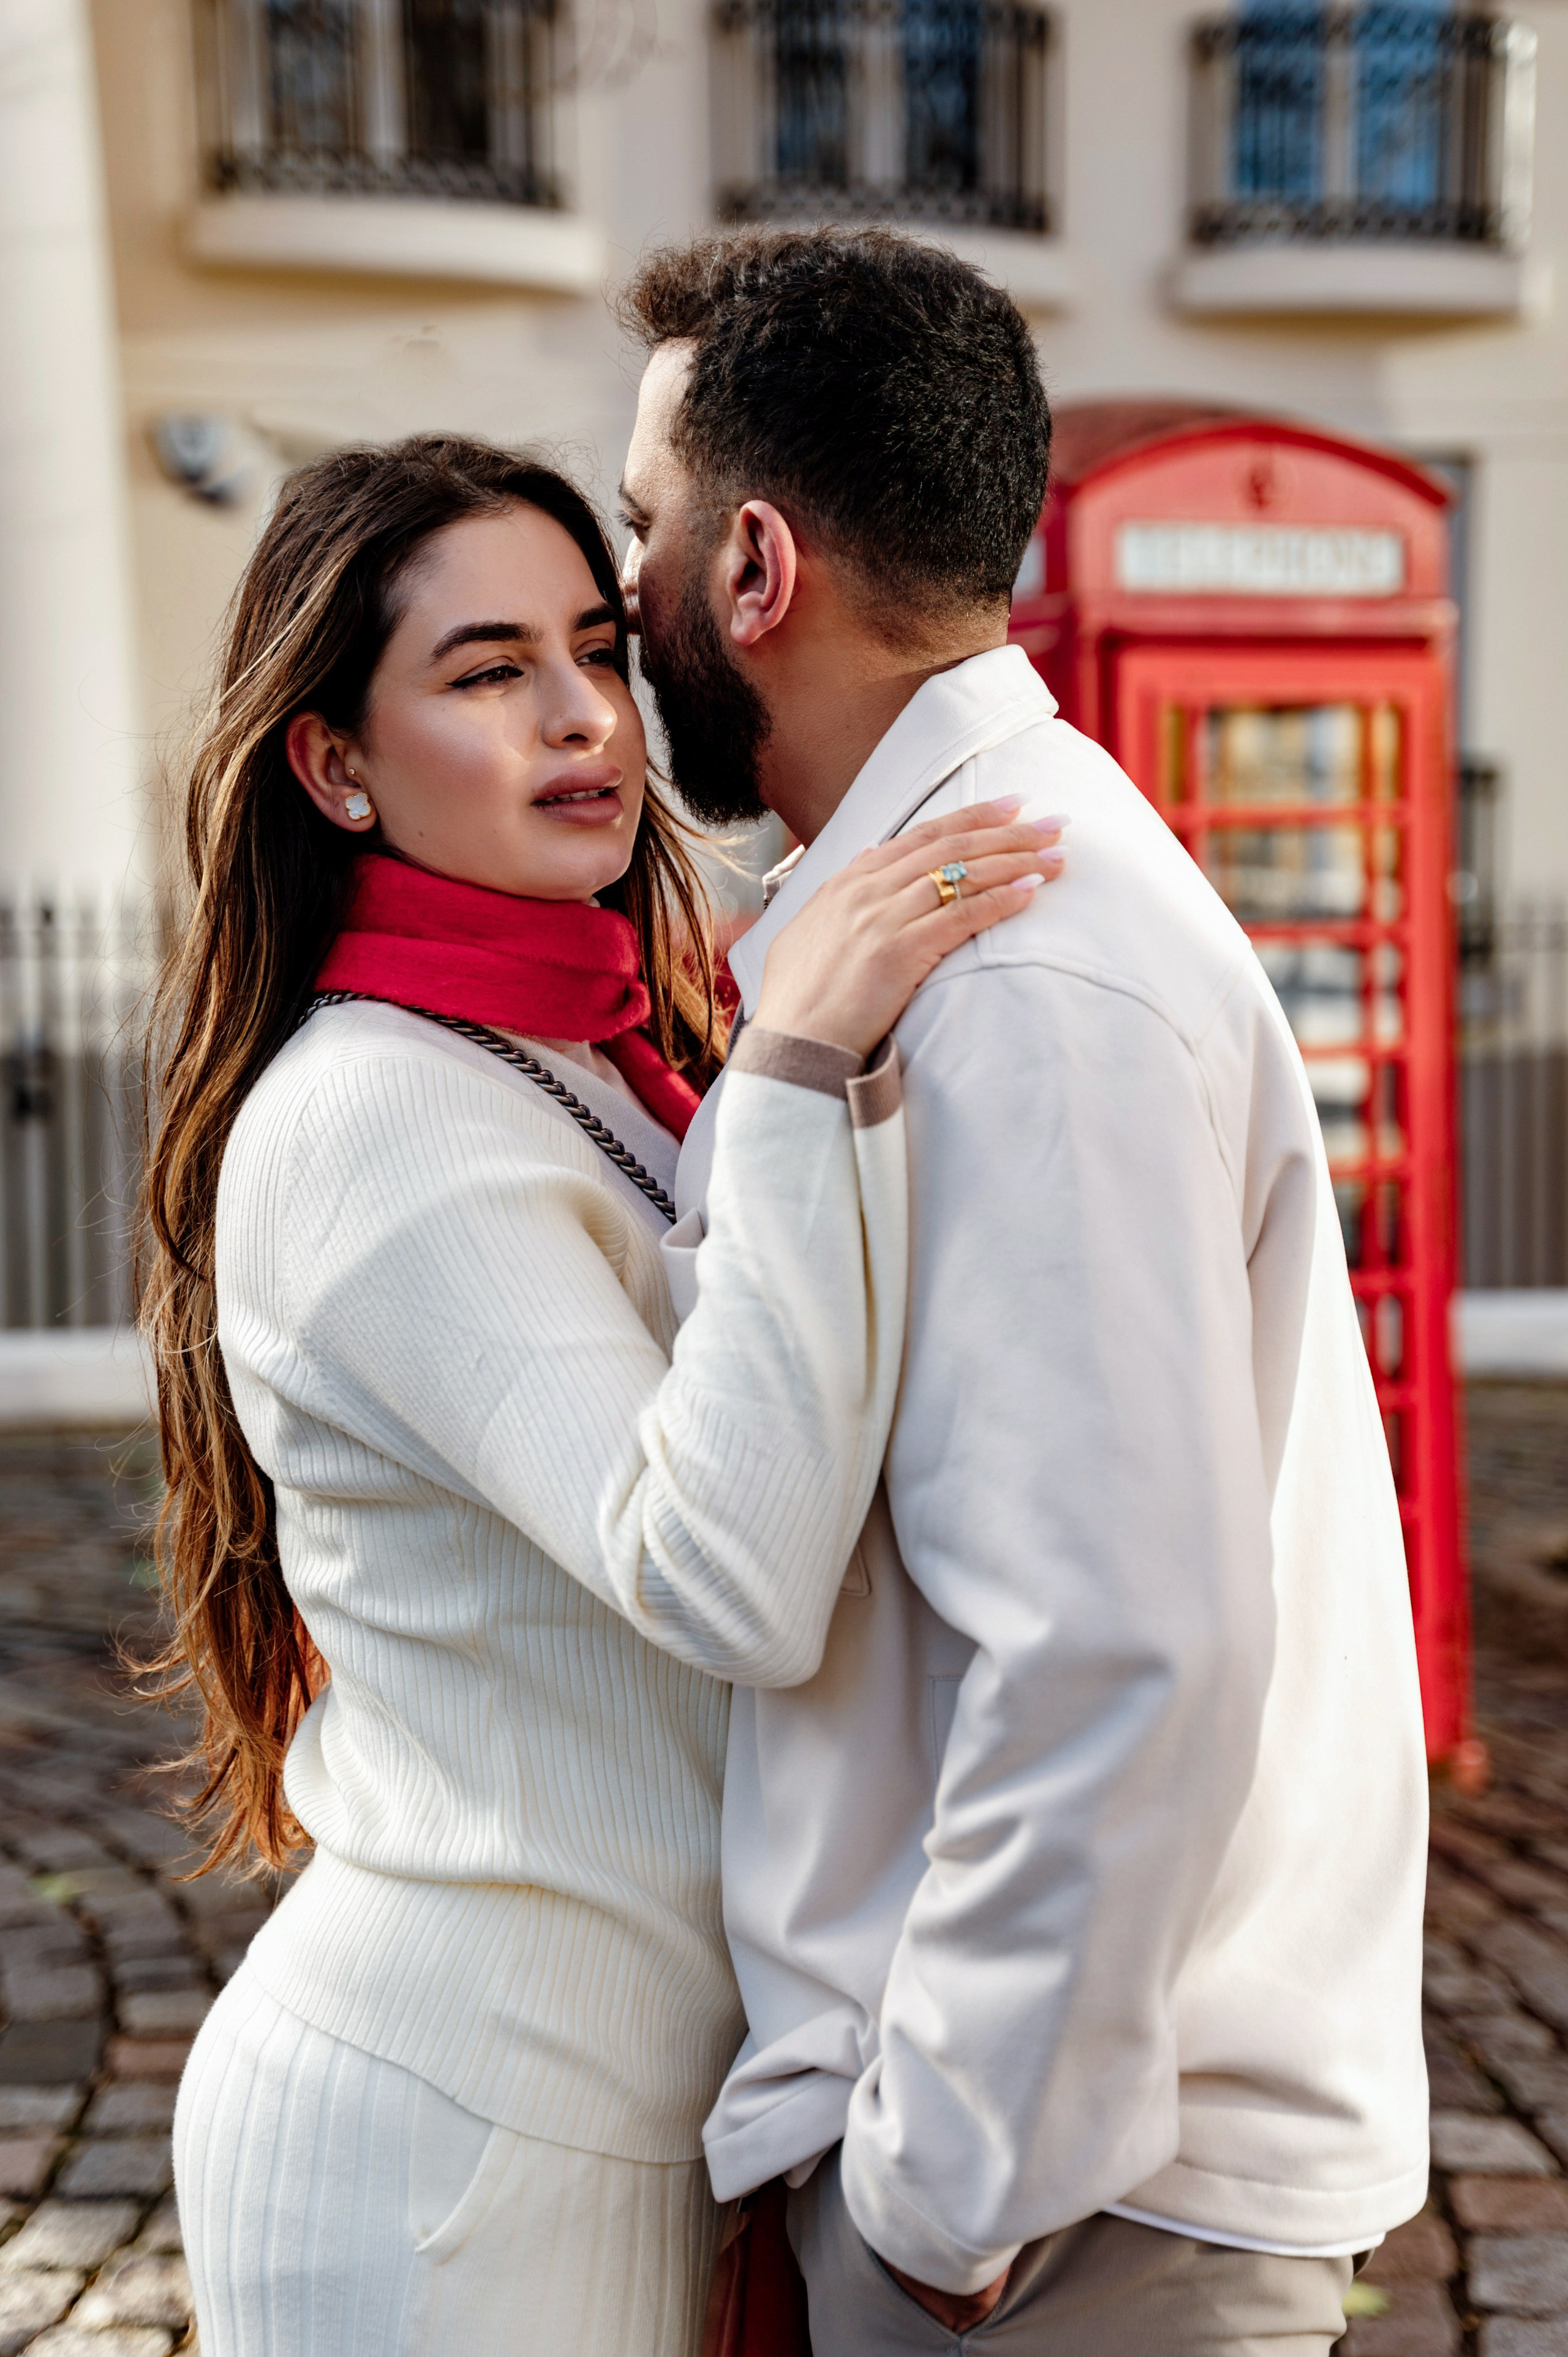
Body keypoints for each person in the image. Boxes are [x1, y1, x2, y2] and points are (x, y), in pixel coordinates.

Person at [139, 432, 1063, 2356]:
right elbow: (723, 1580)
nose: (582, 722)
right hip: (459, 2143)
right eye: (485, 675)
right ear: (336, 765)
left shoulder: (579, 1056)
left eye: (592, 650)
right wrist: (802, 1070)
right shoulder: (383, 1116)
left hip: (607, 2107)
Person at [619, 226, 1430, 2354]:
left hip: (1073, 2228)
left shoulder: (1018, 963)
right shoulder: (932, 905)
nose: (624, 598)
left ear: (755, 568)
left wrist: (941, 2198)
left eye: (642, 525)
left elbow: (1120, 1640)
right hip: (1062, 2187)